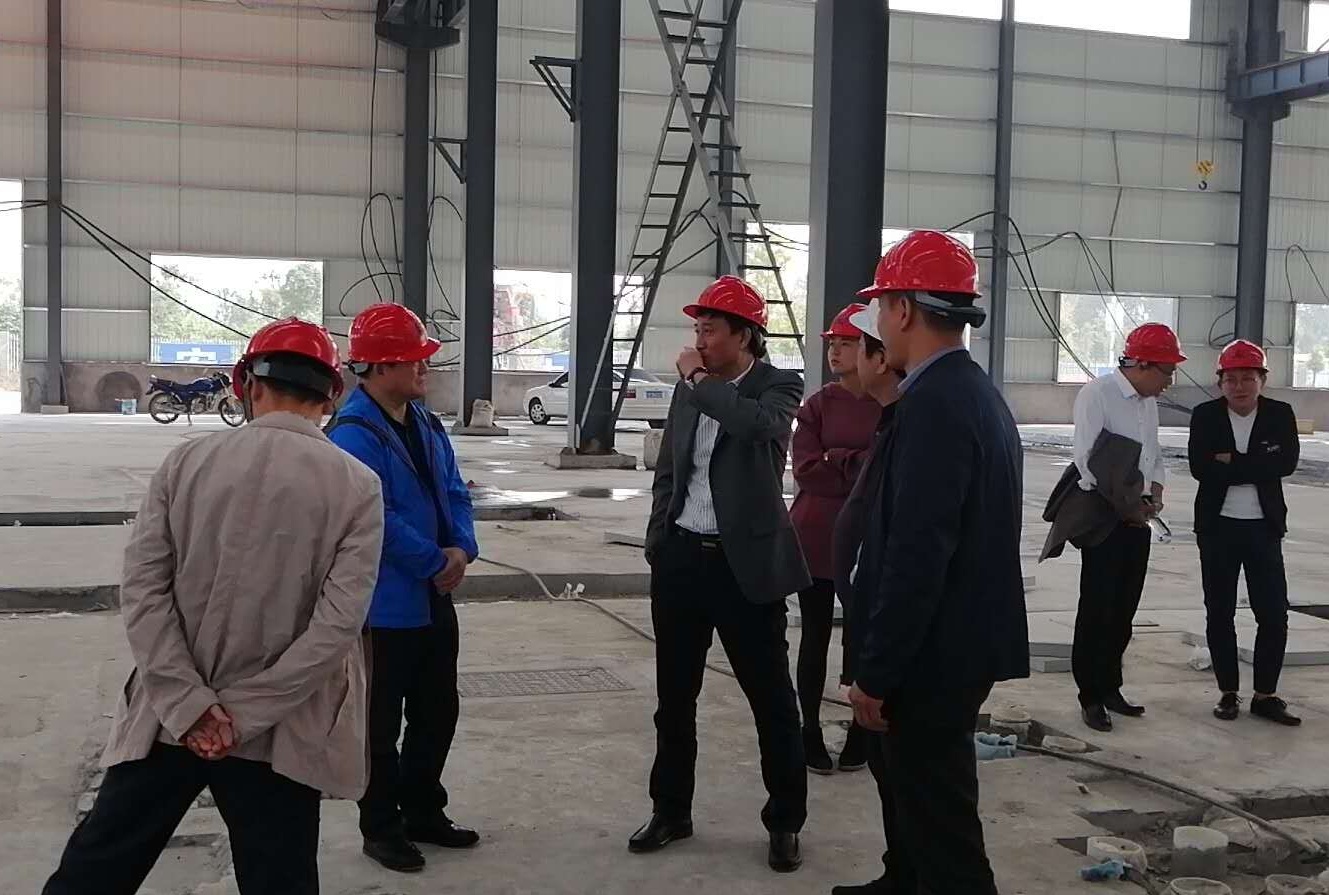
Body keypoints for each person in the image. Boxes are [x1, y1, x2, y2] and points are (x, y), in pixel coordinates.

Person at [43, 319, 385, 895]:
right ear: (332, 395)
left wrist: (191, 706)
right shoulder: (357, 485)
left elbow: (143, 591)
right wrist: (242, 717)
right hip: (279, 730)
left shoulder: (186, 463)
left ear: (246, 384)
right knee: (279, 878)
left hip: (170, 718)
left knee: (98, 867)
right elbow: (337, 627)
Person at [845, 230, 1028, 895]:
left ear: (902, 309)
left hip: (933, 654)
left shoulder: (933, 405)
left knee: (945, 834)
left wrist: (877, 671)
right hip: (957, 644)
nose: (875, 325)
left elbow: (917, 553)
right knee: (924, 811)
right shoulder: (971, 391)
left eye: (879, 307)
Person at [632, 275, 811, 874]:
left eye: (710, 329)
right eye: (697, 329)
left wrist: (699, 381)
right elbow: (670, 469)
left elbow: (756, 426)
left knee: (772, 701)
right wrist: (660, 540)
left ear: (745, 335)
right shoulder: (692, 390)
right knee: (674, 699)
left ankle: (784, 821)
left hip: (746, 568)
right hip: (683, 559)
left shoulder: (779, 385)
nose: (699, 340)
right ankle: (670, 810)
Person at [327, 303, 481, 874]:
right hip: (385, 606)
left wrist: (462, 547)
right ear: (380, 365)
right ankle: (382, 828)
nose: (425, 368)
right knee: (379, 725)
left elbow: (455, 490)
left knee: (438, 711)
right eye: (414, 358)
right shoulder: (353, 434)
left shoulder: (426, 422)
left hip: (434, 595)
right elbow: (376, 517)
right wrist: (433, 560)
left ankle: (423, 811)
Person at [1070, 322, 1186, 732]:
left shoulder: (1147, 403)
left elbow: (1152, 454)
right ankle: (1090, 695)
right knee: (1097, 607)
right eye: (1166, 372)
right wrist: (1126, 506)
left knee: (1123, 609)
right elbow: (1087, 462)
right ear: (1142, 365)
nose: (1169, 382)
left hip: (1139, 518)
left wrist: (1155, 491)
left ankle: (1110, 686)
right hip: (1104, 518)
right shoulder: (1097, 395)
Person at [829, 308, 904, 895]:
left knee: (918, 782)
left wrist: (875, 673)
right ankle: (900, 872)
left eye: (852, 345)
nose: (841, 354)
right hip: (874, 615)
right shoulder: (893, 419)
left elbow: (915, 556)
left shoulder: (920, 419)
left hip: (900, 637)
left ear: (879, 355)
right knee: (891, 771)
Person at [1188, 339, 1301, 726]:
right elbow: (1200, 468)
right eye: (1231, 379)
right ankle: (1228, 693)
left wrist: (1230, 462)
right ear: (1220, 382)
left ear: (1262, 380)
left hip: (1263, 528)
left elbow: (1286, 463)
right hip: (1217, 527)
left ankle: (1265, 695)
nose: (1239, 387)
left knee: (1273, 613)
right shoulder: (1205, 416)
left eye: (1248, 378)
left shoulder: (1279, 414)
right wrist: (1256, 463)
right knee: (1219, 612)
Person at [789, 302, 880, 775]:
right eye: (832, 344)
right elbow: (806, 470)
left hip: (868, 538)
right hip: (816, 535)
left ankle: (862, 729)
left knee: (862, 636)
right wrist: (857, 462)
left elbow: (886, 471)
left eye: (847, 343)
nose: (836, 352)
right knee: (815, 634)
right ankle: (809, 728)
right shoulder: (818, 405)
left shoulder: (890, 403)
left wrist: (835, 459)